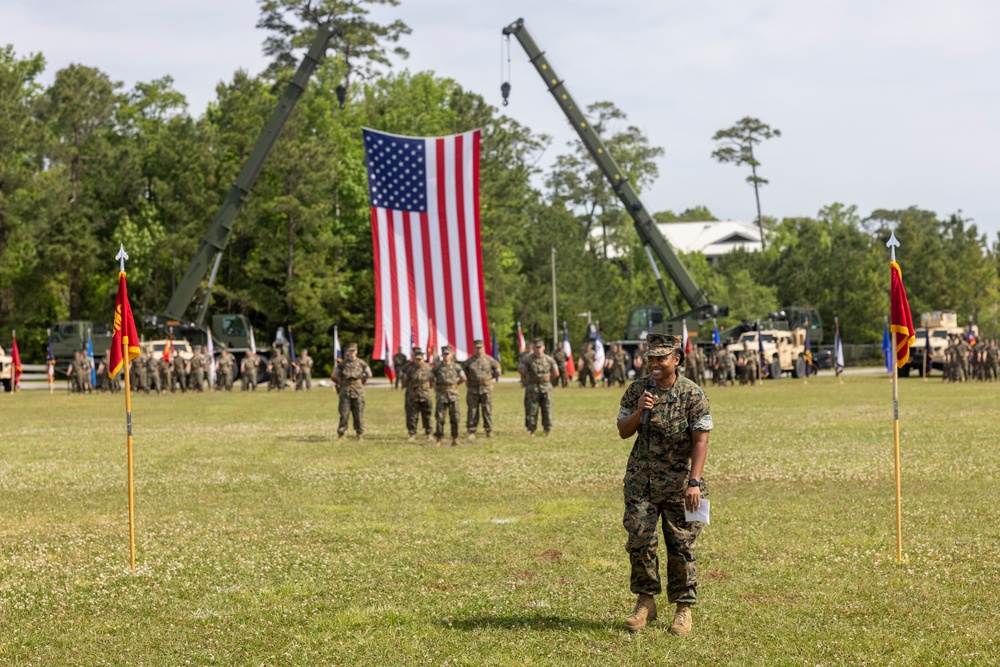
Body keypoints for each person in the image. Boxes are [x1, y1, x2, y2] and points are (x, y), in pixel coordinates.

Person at [616, 333, 712, 636]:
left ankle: (683, 608)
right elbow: (622, 431)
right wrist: (640, 411)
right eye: (651, 358)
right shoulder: (637, 391)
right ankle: (645, 601)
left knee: (682, 546)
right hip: (641, 482)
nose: (655, 363)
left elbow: (701, 440)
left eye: (661, 357)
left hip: (681, 483)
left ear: (676, 359)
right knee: (640, 540)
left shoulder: (692, 394)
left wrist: (694, 482)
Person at [519, 338, 559, 436]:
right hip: (532, 388)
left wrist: (547, 380)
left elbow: (556, 373)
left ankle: (547, 429)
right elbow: (521, 370)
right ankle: (531, 430)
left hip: (546, 388)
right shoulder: (527, 359)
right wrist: (529, 379)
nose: (538, 349)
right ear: (533, 348)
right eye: (536, 347)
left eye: (540, 347)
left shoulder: (549, 359)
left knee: (547, 409)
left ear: (543, 348)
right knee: (532, 409)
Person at [332, 342, 372, 441]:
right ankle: (341, 434)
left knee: (358, 413)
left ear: (356, 351)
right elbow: (334, 375)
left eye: (353, 351)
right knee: (344, 414)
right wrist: (341, 383)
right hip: (345, 391)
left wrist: (362, 381)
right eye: (350, 351)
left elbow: (369, 374)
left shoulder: (361, 363)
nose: (352, 353)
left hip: (358, 391)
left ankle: (360, 434)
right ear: (347, 352)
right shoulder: (342, 364)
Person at [463, 339, 502, 439]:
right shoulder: (469, 362)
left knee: (487, 410)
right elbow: (464, 375)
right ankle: (471, 431)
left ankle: (489, 431)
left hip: (486, 389)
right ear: (474, 348)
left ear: (483, 348)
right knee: (472, 410)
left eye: (480, 348)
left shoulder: (490, 360)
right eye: (477, 348)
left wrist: (488, 379)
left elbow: (498, 371)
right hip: (473, 390)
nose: (478, 350)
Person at [431, 345, 465, 446]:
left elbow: (464, 378)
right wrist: (435, 386)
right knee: (440, 418)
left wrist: (455, 385)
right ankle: (439, 439)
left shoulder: (456, 367)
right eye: (444, 354)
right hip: (441, 395)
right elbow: (430, 378)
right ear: (441, 355)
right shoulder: (437, 367)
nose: (445, 356)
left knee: (455, 417)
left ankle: (455, 439)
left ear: (451, 355)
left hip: (453, 395)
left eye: (447, 354)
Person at [402, 348, 434, 442]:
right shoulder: (409, 368)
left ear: (423, 359)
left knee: (427, 415)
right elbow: (405, 380)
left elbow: (432, 380)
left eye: (420, 359)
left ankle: (429, 433)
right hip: (412, 395)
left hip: (425, 395)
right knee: (412, 415)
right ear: (414, 359)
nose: (418, 361)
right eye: (417, 359)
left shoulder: (428, 368)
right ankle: (412, 434)